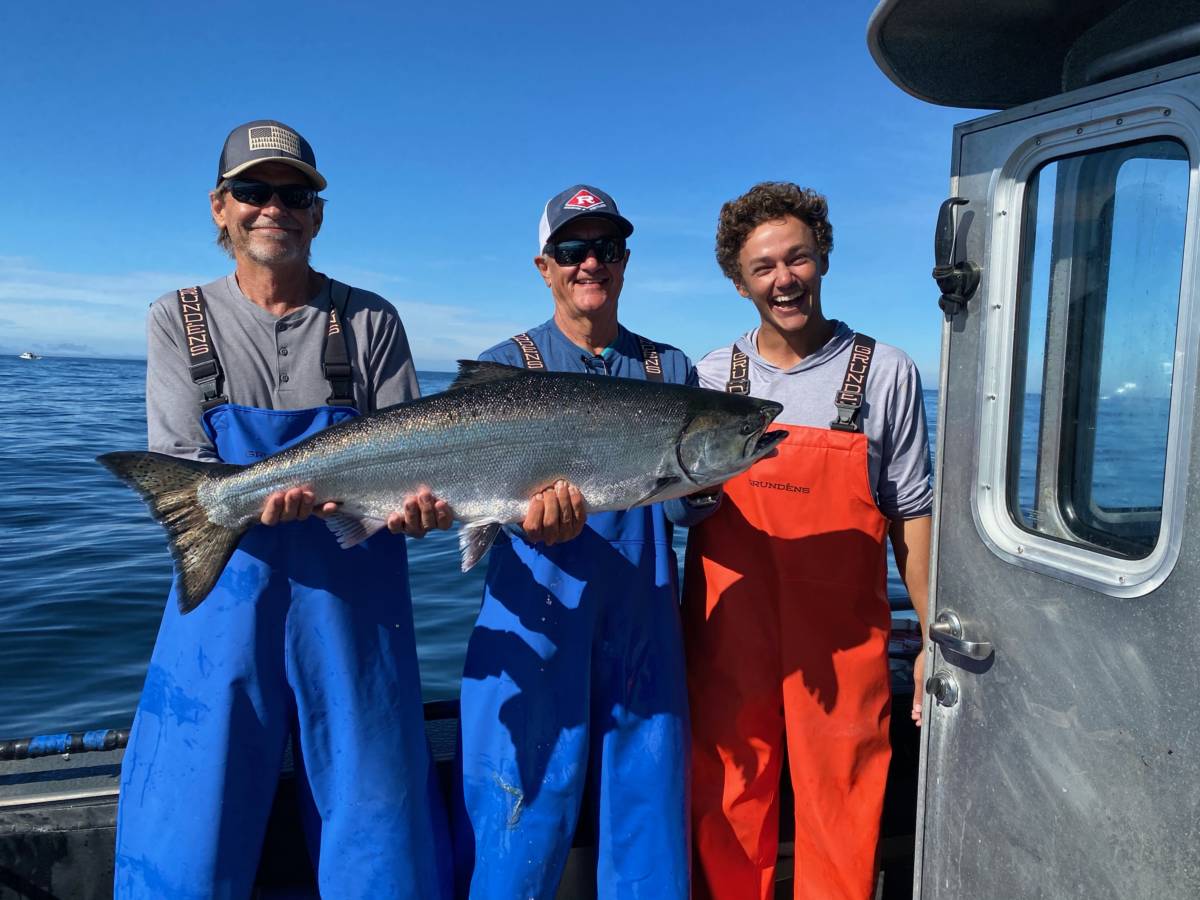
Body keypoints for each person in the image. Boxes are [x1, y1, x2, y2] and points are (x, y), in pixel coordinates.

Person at [113, 119, 458, 899]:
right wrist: (246, 503)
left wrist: (425, 511)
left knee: (380, 825)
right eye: (254, 191)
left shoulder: (369, 320)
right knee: (186, 824)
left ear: (318, 212)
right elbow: (184, 464)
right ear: (219, 207)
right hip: (228, 587)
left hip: (356, 597)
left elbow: (419, 466)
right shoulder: (179, 318)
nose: (275, 207)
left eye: (295, 193)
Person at [682, 182, 932, 900]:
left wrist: (934, 641)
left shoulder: (883, 372)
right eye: (763, 267)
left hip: (844, 644)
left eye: (797, 259)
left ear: (822, 259)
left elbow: (912, 515)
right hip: (729, 637)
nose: (783, 279)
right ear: (739, 282)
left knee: (845, 804)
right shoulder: (711, 379)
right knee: (727, 799)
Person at [455, 185, 700, 899]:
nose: (590, 262)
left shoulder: (670, 370)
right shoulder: (508, 363)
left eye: (607, 248)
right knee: (515, 827)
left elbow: (685, 513)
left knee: (649, 829)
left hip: (645, 632)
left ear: (625, 263)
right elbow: (469, 499)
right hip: (532, 624)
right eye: (573, 249)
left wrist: (709, 491)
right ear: (545, 265)